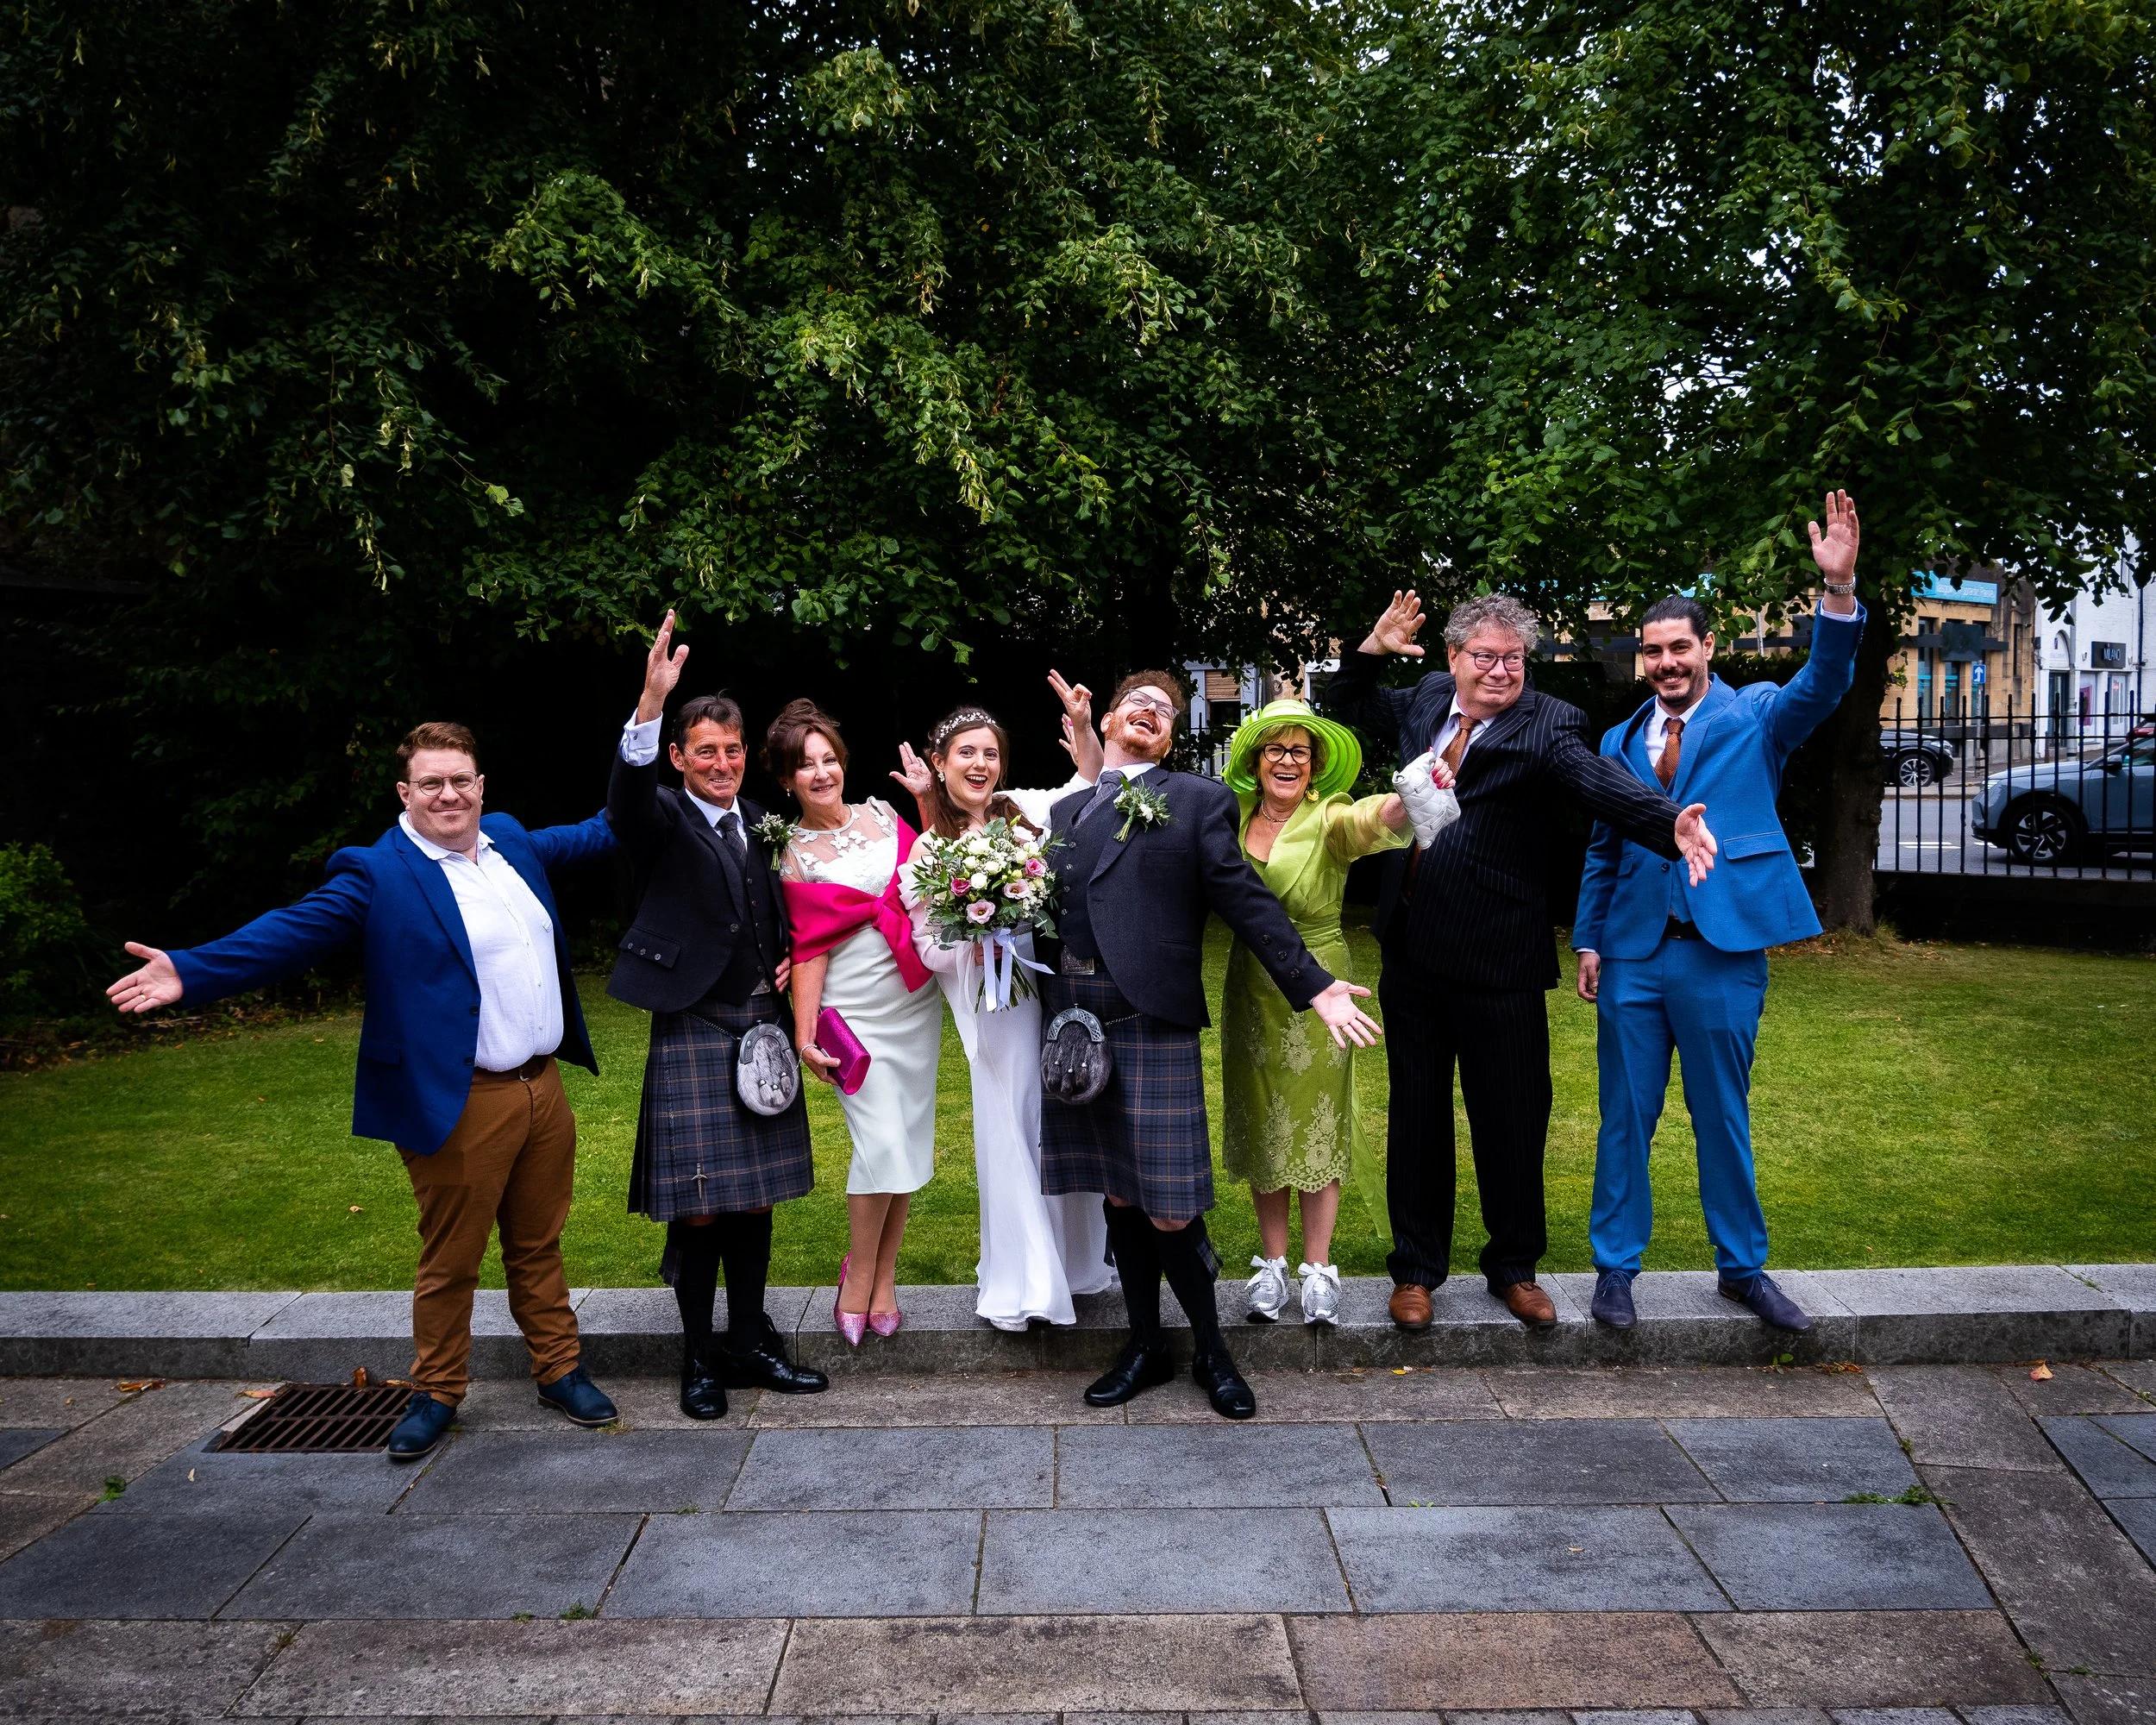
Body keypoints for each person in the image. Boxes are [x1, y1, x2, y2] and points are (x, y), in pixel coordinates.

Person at [105, 722, 620, 1459]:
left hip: (542, 1089)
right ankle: (437, 1390)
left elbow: (609, 829)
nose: (450, 794)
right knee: (452, 1258)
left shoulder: (510, 840)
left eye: (461, 780)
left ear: (482, 788)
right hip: (458, 1098)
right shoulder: (380, 873)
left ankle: (560, 1370)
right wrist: (193, 970)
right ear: (405, 794)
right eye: (432, 783)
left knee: (538, 1243)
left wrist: (646, 723)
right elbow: (293, 930)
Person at [1326, 594, 1720, 1333]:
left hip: (1499, 955)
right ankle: (1416, 1272)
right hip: (1411, 950)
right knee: (1416, 1115)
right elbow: (1344, 703)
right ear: (1454, 660)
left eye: (1513, 658)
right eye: (1485, 656)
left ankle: (1514, 1268)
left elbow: (1597, 784)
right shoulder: (1429, 701)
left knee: (1510, 1118)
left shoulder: (1552, 724)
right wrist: (1371, 649)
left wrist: (1668, 822)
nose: (1500, 671)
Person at [1039, 671, 1385, 1419]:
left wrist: (1314, 982)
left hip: (1153, 1018)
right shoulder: (1066, 812)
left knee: (1167, 1205)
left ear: (1171, 735)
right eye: (1138, 703)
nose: (1152, 715)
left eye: (1165, 711)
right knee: (1120, 1194)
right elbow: (1049, 915)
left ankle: (1211, 1352)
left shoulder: (1198, 800)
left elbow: (1244, 896)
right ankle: (1143, 1346)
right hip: (1078, 1021)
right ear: (1108, 717)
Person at [1575, 492, 1867, 1335]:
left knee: (1721, 1116)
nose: (1666, 662)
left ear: (1708, 647)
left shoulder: (1757, 717)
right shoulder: (1617, 744)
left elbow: (1825, 681)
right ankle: (1614, 1270)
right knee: (1625, 1115)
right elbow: (1600, 850)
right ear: (1641, 660)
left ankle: (1741, 1267)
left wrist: (1838, 592)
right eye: (1653, 651)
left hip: (1720, 952)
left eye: (1680, 647)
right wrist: (1590, 940)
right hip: (1631, 953)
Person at [609, 612, 829, 1419]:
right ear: (679, 756)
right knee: (701, 1201)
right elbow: (626, 803)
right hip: (696, 1027)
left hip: (762, 1024)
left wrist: (785, 950)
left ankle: (749, 1340)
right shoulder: (660, 816)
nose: (723, 764)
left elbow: (776, 905)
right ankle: (699, 1358)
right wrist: (649, 703)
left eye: (732, 752)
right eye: (706, 751)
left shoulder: (759, 826)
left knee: (756, 1198)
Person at [1220, 698, 1447, 1326]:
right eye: (1275, 749)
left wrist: (1413, 795)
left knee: (1317, 1119)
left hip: (1322, 982)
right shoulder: (1231, 811)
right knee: (1263, 1118)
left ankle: (1319, 1270)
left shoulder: (1329, 817)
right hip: (1251, 983)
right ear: (1256, 760)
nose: (1287, 760)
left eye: (1299, 750)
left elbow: (1375, 820)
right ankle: (1272, 1265)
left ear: (1315, 764)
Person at [894, 682, 1112, 1332]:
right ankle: (1027, 1283)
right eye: (967, 752)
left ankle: (1074, 1266)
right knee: (1011, 1125)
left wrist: (1081, 724)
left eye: (990, 752)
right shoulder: (928, 852)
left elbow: (1091, 780)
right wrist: (975, 935)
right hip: (990, 1005)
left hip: (1049, 992)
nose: (980, 764)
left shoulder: (1025, 813)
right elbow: (928, 949)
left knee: (1058, 1118)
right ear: (941, 762)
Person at [772, 699, 943, 1345]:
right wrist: (805, 1032)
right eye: (804, 767)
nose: (821, 774)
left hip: (909, 999)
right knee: (880, 1144)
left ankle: (885, 1277)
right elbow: (808, 947)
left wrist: (927, 803)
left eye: (828, 760)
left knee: (905, 1140)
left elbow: (930, 871)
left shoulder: (882, 814)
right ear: (788, 781)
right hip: (853, 1010)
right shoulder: (792, 852)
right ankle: (858, 1275)